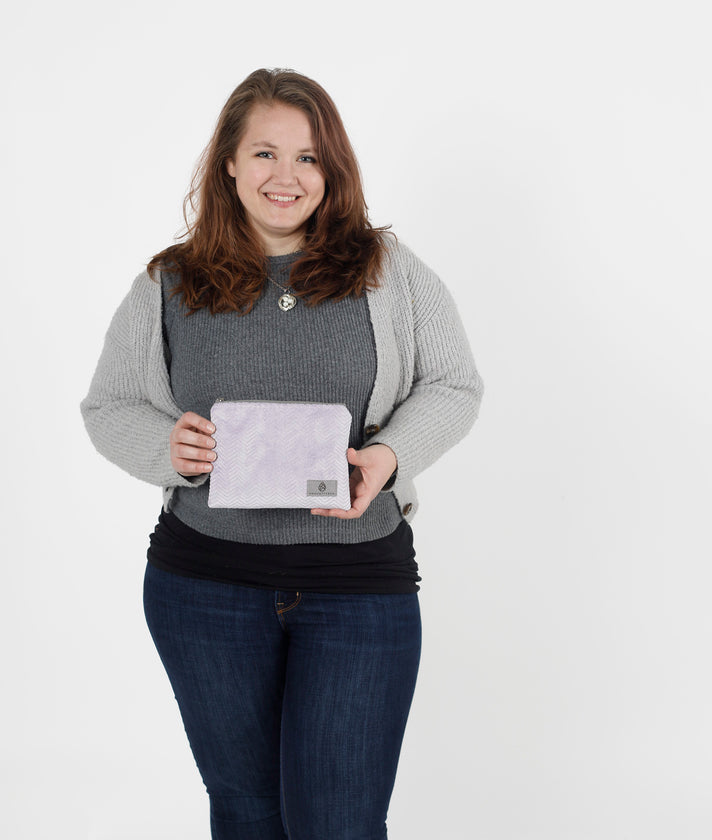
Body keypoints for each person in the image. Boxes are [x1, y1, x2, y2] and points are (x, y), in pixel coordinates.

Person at [81, 67, 483, 840]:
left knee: (340, 824)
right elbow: (109, 407)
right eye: (264, 153)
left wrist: (390, 456)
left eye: (307, 157)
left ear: (332, 170)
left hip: (358, 589)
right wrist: (168, 448)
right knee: (247, 816)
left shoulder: (387, 271)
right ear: (228, 162)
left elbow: (453, 385)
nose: (285, 177)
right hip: (204, 588)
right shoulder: (170, 283)